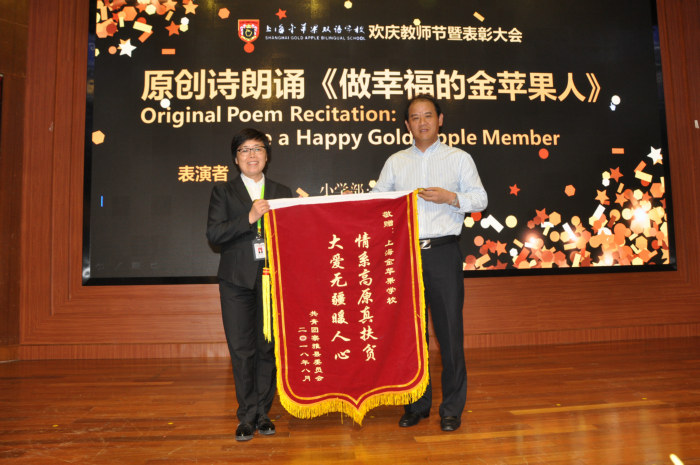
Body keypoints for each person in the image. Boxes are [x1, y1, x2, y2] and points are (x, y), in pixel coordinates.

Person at [372, 94, 488, 432]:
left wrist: (451, 197)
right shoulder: (396, 162)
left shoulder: (459, 158)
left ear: (440, 120)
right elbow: (378, 201)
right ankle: (417, 404)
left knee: (449, 333)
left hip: (442, 253)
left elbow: (481, 198)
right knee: (411, 335)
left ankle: (451, 408)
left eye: (428, 116)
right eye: (415, 117)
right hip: (405, 254)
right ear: (406, 125)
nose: (422, 122)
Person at [206, 128, 292, 442]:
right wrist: (250, 216)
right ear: (236, 158)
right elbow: (214, 234)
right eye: (244, 150)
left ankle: (263, 413)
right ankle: (246, 415)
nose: (252, 155)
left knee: (267, 347)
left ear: (267, 155)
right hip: (236, 282)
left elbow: (294, 236)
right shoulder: (223, 191)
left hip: (272, 281)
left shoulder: (282, 191)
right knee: (242, 350)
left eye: (258, 148)